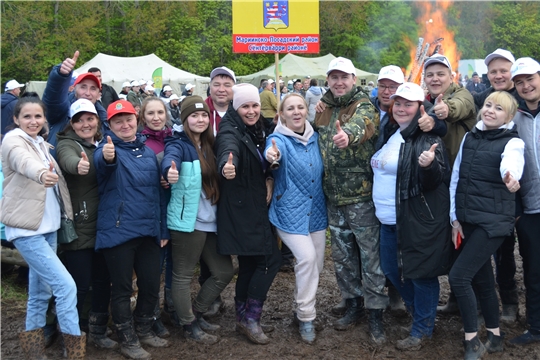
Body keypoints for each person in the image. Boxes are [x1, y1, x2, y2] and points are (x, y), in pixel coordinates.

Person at [1, 96, 86, 359]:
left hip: (48, 228)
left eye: (38, 116)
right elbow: (22, 162)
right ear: (16, 119)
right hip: (27, 232)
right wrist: (41, 173)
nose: (33, 121)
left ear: (44, 119)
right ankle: (75, 353)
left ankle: (33, 353)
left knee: (40, 293)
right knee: (66, 287)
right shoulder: (13, 141)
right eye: (27, 116)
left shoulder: (42, 144)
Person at [371, 82, 452, 351]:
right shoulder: (392, 130)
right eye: (398, 103)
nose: (402, 108)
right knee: (393, 272)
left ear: (421, 108)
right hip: (388, 221)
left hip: (415, 220)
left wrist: (428, 168)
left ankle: (422, 328)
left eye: (408, 104)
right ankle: (421, 317)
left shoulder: (428, 138)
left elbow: (438, 177)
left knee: (421, 275)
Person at [313, 56, 387, 344]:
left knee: (370, 258)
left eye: (344, 77)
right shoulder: (324, 108)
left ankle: (376, 313)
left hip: (361, 197)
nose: (339, 82)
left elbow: (362, 126)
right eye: (334, 77)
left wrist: (348, 137)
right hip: (333, 196)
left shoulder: (365, 106)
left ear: (354, 79)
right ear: (328, 80)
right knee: (343, 257)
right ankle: (353, 303)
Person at [449, 91, 524, 358]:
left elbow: (512, 164)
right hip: (467, 220)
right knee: (482, 280)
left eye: (499, 109)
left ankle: (471, 340)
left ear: (510, 116)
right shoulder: (470, 136)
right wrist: (453, 218)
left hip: (492, 223)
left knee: (458, 277)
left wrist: (511, 177)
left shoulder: (512, 143)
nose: (491, 110)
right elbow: (456, 178)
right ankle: (494, 337)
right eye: (488, 105)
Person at [94, 100, 170, 359]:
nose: (125, 125)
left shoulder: (148, 152)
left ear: (137, 120)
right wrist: (108, 156)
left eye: (128, 119)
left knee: (150, 285)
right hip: (118, 231)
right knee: (123, 289)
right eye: (118, 121)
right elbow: (104, 163)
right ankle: (127, 338)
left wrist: (162, 230)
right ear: (110, 125)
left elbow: (158, 194)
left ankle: (145, 328)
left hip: (148, 230)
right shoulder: (106, 149)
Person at [161, 96, 234, 344]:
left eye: (204, 115)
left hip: (211, 220)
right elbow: (169, 159)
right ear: (184, 119)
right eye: (194, 115)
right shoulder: (178, 143)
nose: (200, 119)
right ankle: (188, 324)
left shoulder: (209, 144)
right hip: (188, 222)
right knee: (182, 275)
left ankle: (195, 312)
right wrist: (169, 171)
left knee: (224, 271)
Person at [215, 83, 281, 345]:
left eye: (255, 105)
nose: (251, 111)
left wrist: (268, 175)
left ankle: (241, 318)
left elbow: (268, 150)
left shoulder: (259, 128)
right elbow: (227, 149)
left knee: (249, 264)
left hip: (251, 204)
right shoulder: (230, 130)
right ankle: (251, 318)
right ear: (235, 107)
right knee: (270, 260)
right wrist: (226, 166)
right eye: (245, 106)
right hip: (242, 209)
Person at [264, 93, 327, 344]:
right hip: (288, 211)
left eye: (300, 107)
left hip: (317, 212)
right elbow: (272, 155)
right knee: (307, 258)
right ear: (281, 114)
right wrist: (272, 157)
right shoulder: (278, 139)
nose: (297, 112)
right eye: (290, 108)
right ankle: (306, 316)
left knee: (317, 266)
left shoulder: (316, 139)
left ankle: (300, 307)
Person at [55, 99, 116, 349]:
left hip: (104, 226)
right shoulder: (66, 143)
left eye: (89, 118)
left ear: (97, 120)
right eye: (79, 120)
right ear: (72, 124)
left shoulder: (104, 144)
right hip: (80, 227)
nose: (85, 124)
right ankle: (72, 333)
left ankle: (97, 331)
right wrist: (78, 165)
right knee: (79, 285)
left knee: (102, 282)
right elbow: (68, 160)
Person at [472, 48, 520, 323]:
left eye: (504, 70)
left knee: (506, 251)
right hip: (485, 187)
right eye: (494, 71)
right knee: (480, 250)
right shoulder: (483, 97)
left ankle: (511, 301)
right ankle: (482, 302)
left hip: (514, 185)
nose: (499, 75)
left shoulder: (523, 98)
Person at [508, 57, 540, 345]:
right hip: (530, 207)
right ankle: (537, 327)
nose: (526, 85)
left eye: (530, 78)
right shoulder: (514, 118)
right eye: (520, 82)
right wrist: (517, 209)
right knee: (533, 269)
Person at [138, 97, 176, 337]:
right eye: (150, 113)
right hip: (153, 215)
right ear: (143, 116)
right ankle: (150, 316)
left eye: (160, 112)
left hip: (177, 212)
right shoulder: (141, 143)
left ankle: (170, 309)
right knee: (153, 270)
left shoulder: (174, 138)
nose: (156, 117)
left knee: (174, 266)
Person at [42, 50, 107, 154]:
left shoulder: (103, 117)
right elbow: (53, 99)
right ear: (74, 89)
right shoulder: (62, 111)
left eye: (93, 89)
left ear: (98, 93)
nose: (88, 93)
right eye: (83, 87)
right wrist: (60, 75)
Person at [423, 55, 477, 165]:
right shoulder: (423, 99)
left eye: (440, 74)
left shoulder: (462, 93)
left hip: (456, 171)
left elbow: (460, 104)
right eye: (430, 75)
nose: (435, 79)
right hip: (430, 170)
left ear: (451, 78)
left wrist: (446, 108)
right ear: (425, 80)